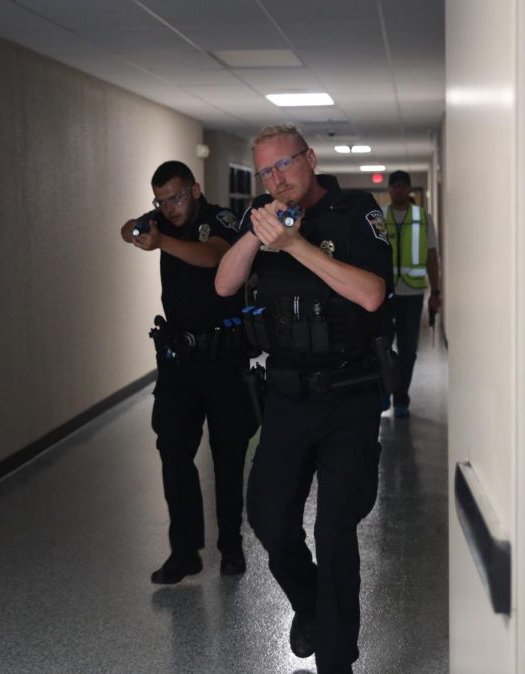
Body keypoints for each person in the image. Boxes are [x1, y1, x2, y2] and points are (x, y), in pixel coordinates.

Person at [215, 124, 393, 674]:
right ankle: (311, 604)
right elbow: (224, 285)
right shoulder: (259, 219)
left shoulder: (356, 211)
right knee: (267, 518)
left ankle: (336, 661)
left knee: (334, 530)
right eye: (265, 170)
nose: (277, 178)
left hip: (349, 394)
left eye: (284, 165)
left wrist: (295, 244)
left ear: (310, 159)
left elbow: (370, 294)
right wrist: (255, 234)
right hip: (288, 395)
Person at [120, 160, 258, 584]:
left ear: (195, 190)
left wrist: (161, 242)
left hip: (222, 359)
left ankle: (231, 546)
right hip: (179, 362)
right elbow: (127, 228)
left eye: (176, 197)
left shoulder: (222, 218)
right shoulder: (161, 221)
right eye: (161, 200)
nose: (169, 207)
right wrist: (136, 230)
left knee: (228, 454)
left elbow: (213, 257)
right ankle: (185, 552)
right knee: (174, 453)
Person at [381, 170, 442, 418]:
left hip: (412, 294)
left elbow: (431, 258)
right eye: (394, 185)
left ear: (408, 188)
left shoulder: (423, 218)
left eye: (402, 185)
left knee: (408, 350)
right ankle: (384, 391)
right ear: (389, 190)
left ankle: (401, 398)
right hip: (384, 295)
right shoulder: (378, 217)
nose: (398, 189)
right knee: (381, 347)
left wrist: (435, 292)